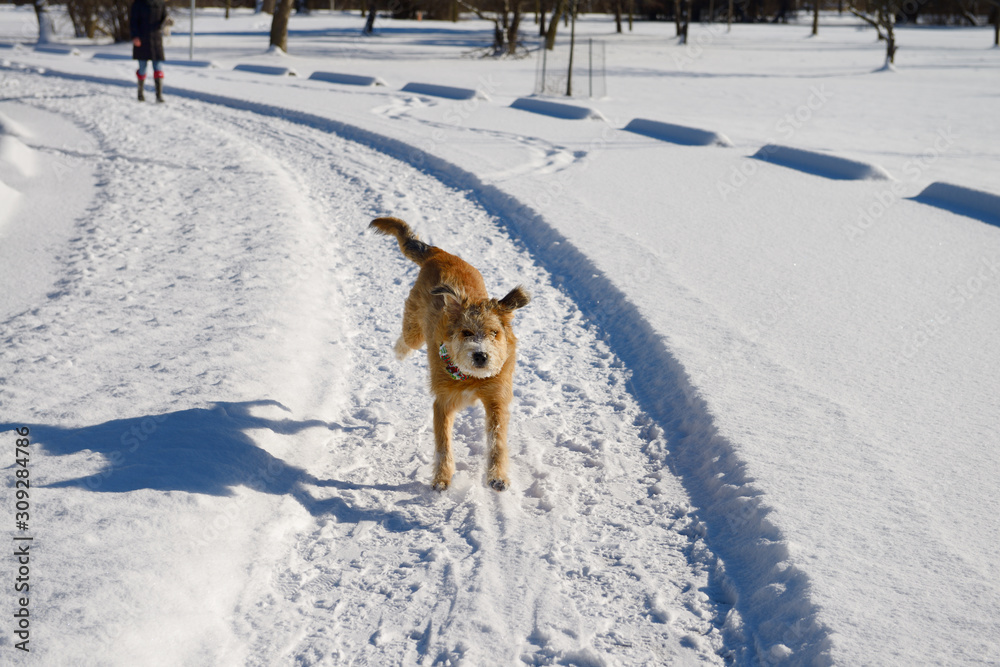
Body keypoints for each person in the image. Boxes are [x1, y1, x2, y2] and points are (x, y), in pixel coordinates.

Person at [130, 0, 168, 103]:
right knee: (142, 68)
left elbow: (164, 18)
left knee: (158, 67)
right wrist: (135, 36)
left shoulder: (161, 3)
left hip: (156, 39)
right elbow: (133, 20)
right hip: (141, 39)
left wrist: (163, 25)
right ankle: (140, 93)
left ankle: (159, 95)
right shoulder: (138, 3)